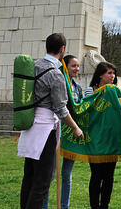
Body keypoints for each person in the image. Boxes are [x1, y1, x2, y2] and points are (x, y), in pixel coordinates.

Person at [18, 33, 84, 209]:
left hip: (30, 126)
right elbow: (61, 109)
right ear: (62, 49)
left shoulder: (34, 66)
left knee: (29, 178)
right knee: (41, 182)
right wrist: (76, 128)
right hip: (45, 129)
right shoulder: (56, 74)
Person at [42, 55, 83, 209]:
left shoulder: (78, 88)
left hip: (71, 135)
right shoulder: (59, 82)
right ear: (65, 67)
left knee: (66, 174)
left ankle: (64, 206)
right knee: (50, 174)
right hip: (57, 132)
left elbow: (80, 108)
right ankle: (44, 206)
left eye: (78, 66)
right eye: (73, 66)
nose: (77, 69)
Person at [85, 62, 119, 209]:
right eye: (109, 73)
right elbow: (88, 111)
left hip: (111, 139)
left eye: (114, 73)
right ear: (100, 75)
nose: (113, 76)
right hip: (96, 140)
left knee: (109, 176)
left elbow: (120, 111)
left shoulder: (116, 91)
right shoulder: (90, 91)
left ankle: (104, 205)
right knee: (96, 175)